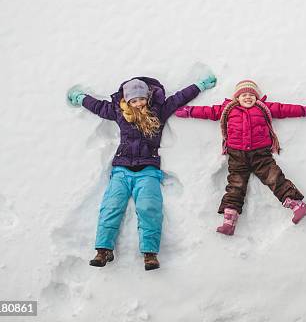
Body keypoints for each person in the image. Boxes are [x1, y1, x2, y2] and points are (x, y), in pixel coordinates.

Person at [67, 74, 216, 269]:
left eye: (141, 99)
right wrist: (81, 98)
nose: (138, 103)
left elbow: (180, 97)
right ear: (127, 100)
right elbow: (98, 107)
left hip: (148, 170)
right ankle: (103, 250)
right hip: (121, 170)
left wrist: (200, 85)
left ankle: (150, 253)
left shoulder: (158, 111)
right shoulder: (119, 111)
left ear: (148, 97)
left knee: (149, 208)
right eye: (134, 100)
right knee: (111, 207)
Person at [175, 79, 306, 236]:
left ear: (257, 97)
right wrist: (190, 111)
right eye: (243, 94)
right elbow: (209, 112)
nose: (248, 97)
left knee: (274, 177)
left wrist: (304, 110)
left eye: (251, 95)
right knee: (235, 185)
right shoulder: (227, 108)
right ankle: (229, 221)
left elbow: (283, 109)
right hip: (237, 155)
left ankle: (297, 205)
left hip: (261, 155)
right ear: (236, 98)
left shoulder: (264, 108)